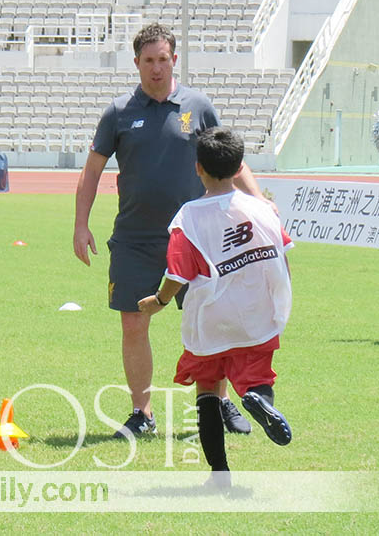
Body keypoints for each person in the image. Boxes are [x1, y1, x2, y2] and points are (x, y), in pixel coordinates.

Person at [73, 23, 270, 439]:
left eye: (163, 59)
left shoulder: (197, 105)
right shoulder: (118, 112)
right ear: (136, 63)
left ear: (174, 60)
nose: (157, 68)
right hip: (134, 240)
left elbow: (230, 161)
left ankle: (217, 405)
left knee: (212, 325)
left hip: (200, 238)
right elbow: (92, 171)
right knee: (133, 324)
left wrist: (258, 202)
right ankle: (142, 412)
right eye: (149, 61)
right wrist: (80, 224)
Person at [137, 127, 293, 486]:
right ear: (240, 166)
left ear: (198, 169)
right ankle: (259, 399)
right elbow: (282, 255)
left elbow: (178, 272)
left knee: (207, 390)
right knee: (258, 379)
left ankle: (219, 475)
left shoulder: (189, 216)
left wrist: (159, 301)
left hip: (210, 319)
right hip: (256, 316)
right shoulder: (263, 209)